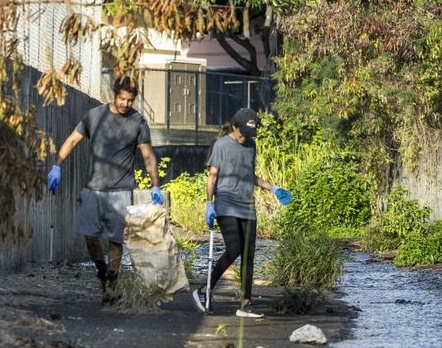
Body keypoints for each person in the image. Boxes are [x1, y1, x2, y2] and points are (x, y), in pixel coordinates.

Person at [48, 76, 162, 303]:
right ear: (114, 94)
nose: (125, 104)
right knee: (90, 237)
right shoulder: (95, 116)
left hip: (121, 191)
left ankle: (112, 282)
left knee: (116, 241)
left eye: (130, 100)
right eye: (122, 99)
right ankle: (102, 275)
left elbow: (148, 156)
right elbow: (72, 140)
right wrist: (56, 165)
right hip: (93, 189)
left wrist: (155, 186)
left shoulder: (137, 122)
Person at [190, 107, 293, 318]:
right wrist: (209, 203)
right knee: (235, 247)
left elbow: (250, 175)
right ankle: (203, 290)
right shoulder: (221, 145)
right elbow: (213, 176)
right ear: (234, 126)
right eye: (242, 132)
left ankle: (245, 305)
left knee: (249, 254)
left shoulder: (251, 145)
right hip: (226, 204)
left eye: (248, 134)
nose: (244, 137)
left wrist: (273, 188)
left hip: (247, 206)